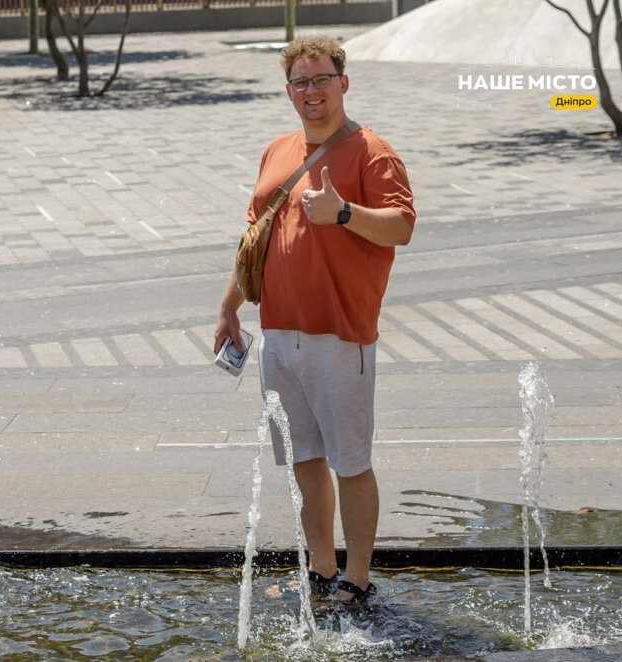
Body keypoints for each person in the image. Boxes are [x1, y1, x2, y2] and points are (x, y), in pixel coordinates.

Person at [213, 37, 415, 605]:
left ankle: (357, 577)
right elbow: (253, 238)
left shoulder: (372, 152)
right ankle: (322, 571)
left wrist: (344, 213)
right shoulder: (277, 150)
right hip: (279, 333)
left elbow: (401, 225)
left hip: (339, 335)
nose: (312, 92)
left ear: (343, 82)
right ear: (288, 92)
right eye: (301, 83)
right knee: (303, 458)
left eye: (322, 79)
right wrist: (229, 306)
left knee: (350, 463)